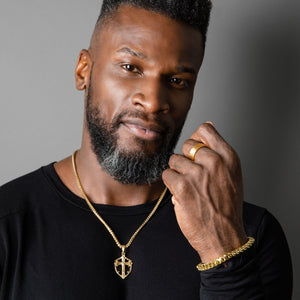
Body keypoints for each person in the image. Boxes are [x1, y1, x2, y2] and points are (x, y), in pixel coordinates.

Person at [0, 0, 293, 299]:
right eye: (130, 67)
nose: (153, 102)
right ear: (83, 71)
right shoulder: (7, 221)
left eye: (177, 80)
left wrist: (223, 252)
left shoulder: (249, 235)